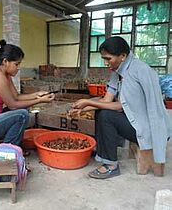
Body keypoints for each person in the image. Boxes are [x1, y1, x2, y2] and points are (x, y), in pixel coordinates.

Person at [70, 36, 172, 179]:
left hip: (148, 126)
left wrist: (89, 103)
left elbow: (119, 106)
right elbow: (107, 100)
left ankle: (111, 165)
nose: (106, 63)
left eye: (108, 58)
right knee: (101, 112)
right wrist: (81, 109)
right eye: (104, 59)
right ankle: (107, 150)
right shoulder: (117, 70)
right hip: (134, 119)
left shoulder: (138, 71)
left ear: (123, 56)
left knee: (106, 116)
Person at [0, 39, 55, 147]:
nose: (18, 68)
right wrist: (39, 100)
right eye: (16, 64)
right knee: (22, 115)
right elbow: (12, 105)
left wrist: (37, 94)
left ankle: (10, 143)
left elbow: (16, 96)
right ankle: (8, 150)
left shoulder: (6, 75)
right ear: (5, 61)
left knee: (23, 110)